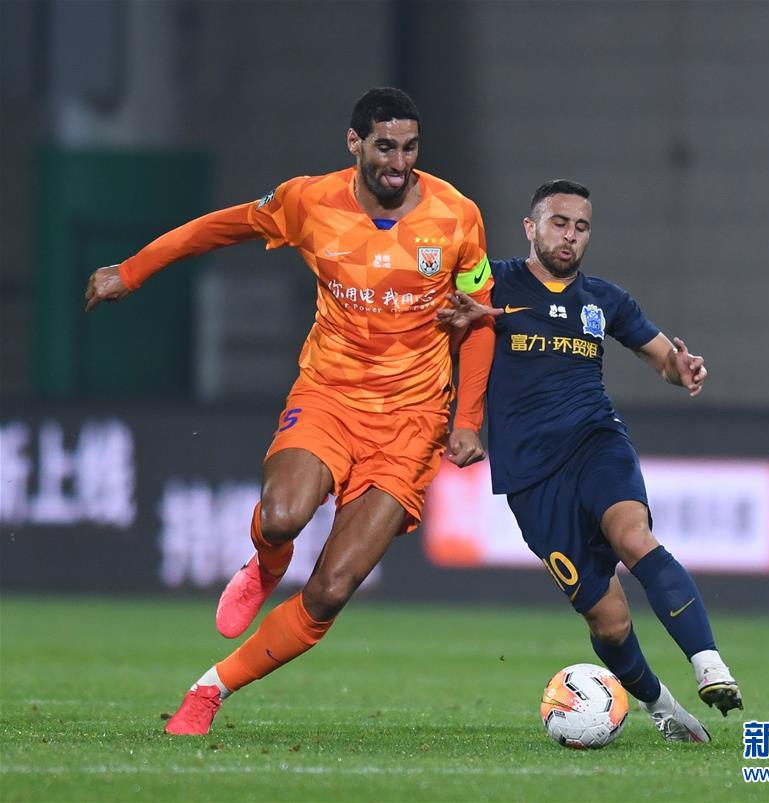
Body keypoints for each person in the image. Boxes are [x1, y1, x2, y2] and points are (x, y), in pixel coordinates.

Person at [85, 88, 495, 735]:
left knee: (330, 589)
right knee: (281, 517)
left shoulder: (457, 216)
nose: (399, 163)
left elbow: (479, 320)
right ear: (354, 143)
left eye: (411, 148)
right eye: (386, 147)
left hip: (412, 423)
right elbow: (221, 226)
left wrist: (467, 419)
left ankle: (210, 689)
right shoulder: (309, 201)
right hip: (329, 395)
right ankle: (266, 564)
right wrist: (133, 270)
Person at [438, 179, 743, 743]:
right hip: (531, 477)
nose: (570, 236)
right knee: (608, 619)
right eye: (559, 223)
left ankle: (709, 664)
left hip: (596, 442)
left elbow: (663, 358)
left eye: (581, 227)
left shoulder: (605, 299)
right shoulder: (493, 283)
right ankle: (661, 706)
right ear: (530, 227)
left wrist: (682, 367)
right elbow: (436, 316)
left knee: (633, 537)